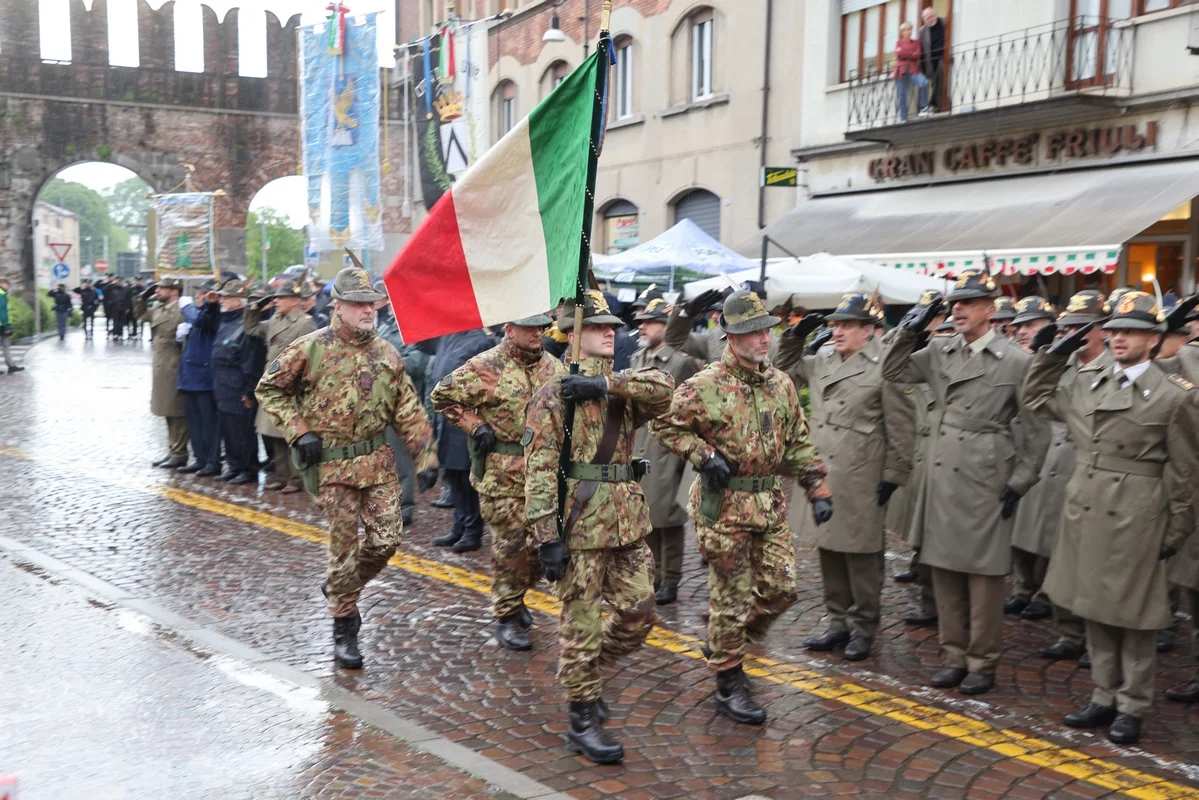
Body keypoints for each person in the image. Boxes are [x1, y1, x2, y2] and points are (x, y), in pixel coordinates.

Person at [1023, 291, 1199, 744]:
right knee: (1094, 607)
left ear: (1154, 339)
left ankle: (1132, 704)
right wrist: (1051, 356)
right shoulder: (1087, 380)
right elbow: (1035, 398)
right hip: (1086, 506)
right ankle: (1103, 695)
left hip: (1138, 513)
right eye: (1115, 330)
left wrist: (1178, 530)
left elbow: (1186, 471)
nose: (1119, 338)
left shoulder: (1174, 395)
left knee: (1133, 614)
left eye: (1131, 331)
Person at [652, 290, 832, 725]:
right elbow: (664, 424)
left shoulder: (780, 383)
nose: (764, 339)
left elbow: (797, 440)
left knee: (782, 590)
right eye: (754, 332)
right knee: (730, 596)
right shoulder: (705, 384)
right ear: (731, 337)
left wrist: (816, 487)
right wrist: (703, 455)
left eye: (767, 330)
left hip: (768, 503)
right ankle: (729, 681)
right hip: (723, 505)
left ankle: (723, 641)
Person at [257, 267, 438, 670]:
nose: (367, 310)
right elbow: (269, 389)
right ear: (337, 306)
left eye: (370, 303)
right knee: (343, 548)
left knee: (387, 539)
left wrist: (425, 457)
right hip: (331, 466)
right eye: (358, 304)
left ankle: (339, 586)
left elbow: (408, 409)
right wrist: (300, 431)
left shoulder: (387, 353)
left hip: (376, 463)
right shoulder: (311, 347)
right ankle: (344, 624)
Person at [524, 291, 673, 764]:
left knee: (639, 614)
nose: (610, 331)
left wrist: (605, 385)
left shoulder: (621, 387)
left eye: (612, 325)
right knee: (582, 626)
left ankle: (587, 675)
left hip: (626, 522)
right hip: (580, 526)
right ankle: (581, 719)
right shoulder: (552, 396)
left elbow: (666, 389)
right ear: (573, 335)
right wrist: (546, 537)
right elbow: (539, 471)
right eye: (597, 326)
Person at [882, 269, 1047, 696]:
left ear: (990, 310)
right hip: (943, 471)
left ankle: (982, 661)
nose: (958, 309)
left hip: (986, 474)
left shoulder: (1016, 360)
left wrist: (1021, 480)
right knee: (944, 570)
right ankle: (953, 655)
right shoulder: (940, 351)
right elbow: (893, 371)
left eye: (968, 302)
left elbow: (1036, 428)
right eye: (955, 302)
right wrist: (910, 330)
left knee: (984, 577)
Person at [779, 293, 912, 662]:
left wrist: (894, 474)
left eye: (847, 325)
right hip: (822, 472)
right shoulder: (823, 359)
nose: (837, 331)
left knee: (862, 555)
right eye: (835, 324)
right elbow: (782, 370)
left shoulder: (886, 364)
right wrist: (794, 338)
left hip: (862, 473)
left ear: (868, 330)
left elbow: (902, 424)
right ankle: (837, 621)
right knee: (829, 549)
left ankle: (863, 626)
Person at [431, 312, 565, 650]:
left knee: (541, 548)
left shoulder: (554, 367)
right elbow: (442, 396)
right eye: (529, 327)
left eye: (540, 327)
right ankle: (507, 614)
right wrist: (475, 426)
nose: (537, 333)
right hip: (503, 477)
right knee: (510, 549)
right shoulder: (486, 365)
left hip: (545, 476)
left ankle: (516, 595)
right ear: (509, 329)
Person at [1030, 290, 1109, 664]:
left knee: (1098, 562)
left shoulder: (1118, 366)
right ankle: (1070, 633)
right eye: (1067, 327)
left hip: (1106, 477)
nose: (1073, 335)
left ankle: (1098, 640)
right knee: (1065, 558)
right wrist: (1049, 356)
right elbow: (1034, 398)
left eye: (1081, 327)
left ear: (1102, 329)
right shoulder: (1064, 365)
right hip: (1067, 470)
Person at [630, 298, 702, 606]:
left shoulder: (681, 362)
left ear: (666, 325)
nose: (643, 327)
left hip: (668, 448)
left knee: (669, 518)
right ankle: (653, 574)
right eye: (641, 322)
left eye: (651, 322)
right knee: (645, 514)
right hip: (639, 444)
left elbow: (692, 406)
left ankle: (670, 578)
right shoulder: (637, 358)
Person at [888, 291, 945, 631]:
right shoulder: (920, 349)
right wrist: (909, 331)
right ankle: (927, 591)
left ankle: (938, 602)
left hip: (945, 450)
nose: (933, 325)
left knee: (939, 534)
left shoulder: (946, 350)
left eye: (935, 317)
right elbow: (891, 366)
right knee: (921, 525)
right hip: (922, 448)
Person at [1005, 296, 1057, 621]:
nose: (1023, 331)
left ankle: (1046, 592)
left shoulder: (1060, 358)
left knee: (1047, 525)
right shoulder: (1011, 357)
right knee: (1018, 523)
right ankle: (1022, 588)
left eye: (1031, 324)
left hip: (1050, 449)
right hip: (1014, 445)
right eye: (1020, 325)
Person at [244, 277, 317, 493]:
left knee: (291, 432)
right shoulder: (274, 320)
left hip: (292, 385)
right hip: (273, 384)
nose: (276, 301)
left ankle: (296, 479)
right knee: (274, 431)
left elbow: (312, 356)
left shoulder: (305, 323)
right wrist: (254, 307)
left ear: (294, 300)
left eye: (281, 298)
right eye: (275, 298)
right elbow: (251, 329)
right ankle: (281, 475)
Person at [428, 328, 496, 552]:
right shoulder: (447, 335)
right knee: (452, 476)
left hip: (466, 419)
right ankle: (459, 526)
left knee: (467, 479)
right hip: (445, 418)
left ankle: (472, 531)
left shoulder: (481, 340)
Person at [376, 282, 432, 525]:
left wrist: (385, 365)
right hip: (380, 401)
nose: (390, 305)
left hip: (403, 402)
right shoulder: (385, 327)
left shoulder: (415, 329)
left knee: (401, 459)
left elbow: (417, 363)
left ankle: (405, 506)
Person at [201, 279, 259, 485]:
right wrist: (210, 304)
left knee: (242, 431)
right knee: (228, 430)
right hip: (222, 385)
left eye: (226, 297)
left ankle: (249, 469)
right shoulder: (226, 320)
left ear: (238, 300)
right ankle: (234, 465)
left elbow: (250, 361)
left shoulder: (245, 324)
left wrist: (249, 390)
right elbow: (208, 320)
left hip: (238, 386)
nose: (222, 300)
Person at [133, 278, 190, 468]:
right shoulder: (159, 308)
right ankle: (172, 449)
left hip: (174, 364)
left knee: (177, 411)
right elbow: (141, 315)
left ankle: (180, 453)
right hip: (161, 365)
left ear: (174, 291)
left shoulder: (181, 310)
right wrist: (142, 297)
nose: (158, 291)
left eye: (162, 288)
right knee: (166, 410)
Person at [177, 282, 223, 476]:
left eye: (201, 294)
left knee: (208, 423)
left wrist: (187, 308)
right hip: (190, 377)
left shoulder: (212, 313)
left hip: (204, 378)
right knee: (194, 423)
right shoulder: (200, 313)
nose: (197, 297)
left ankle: (213, 461)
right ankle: (200, 458)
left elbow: (202, 321)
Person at [893, 22, 930, 123]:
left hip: (913, 70)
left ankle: (923, 107)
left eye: (909, 29)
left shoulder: (916, 43)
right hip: (900, 71)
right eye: (905, 30)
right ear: (902, 32)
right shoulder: (898, 43)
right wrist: (910, 54)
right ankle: (903, 119)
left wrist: (905, 54)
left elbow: (917, 55)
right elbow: (898, 54)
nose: (908, 32)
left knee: (924, 82)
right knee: (902, 95)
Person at [919, 6, 947, 112]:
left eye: (932, 16)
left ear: (935, 15)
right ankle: (935, 105)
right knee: (935, 83)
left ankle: (934, 104)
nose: (931, 19)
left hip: (943, 57)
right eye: (928, 18)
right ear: (924, 20)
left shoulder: (944, 22)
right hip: (931, 61)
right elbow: (921, 49)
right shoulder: (922, 31)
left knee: (940, 77)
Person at [0, 279, 24, 374]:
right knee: (6, 345)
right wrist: (6, 326)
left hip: (2, 324)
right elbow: (2, 311)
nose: (9, 286)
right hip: (2, 325)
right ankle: (11, 366)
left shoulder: (3, 294)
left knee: (6, 345)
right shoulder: (1, 295)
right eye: (7, 284)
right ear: (2, 284)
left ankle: (11, 366)